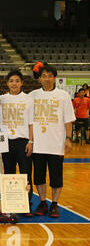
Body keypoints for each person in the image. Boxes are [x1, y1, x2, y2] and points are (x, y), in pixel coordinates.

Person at [29, 63, 75, 218]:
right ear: (40, 79)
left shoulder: (63, 96)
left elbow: (68, 120)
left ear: (55, 78)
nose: (47, 79)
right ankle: (43, 202)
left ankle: (54, 204)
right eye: (44, 76)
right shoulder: (33, 95)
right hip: (38, 144)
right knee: (39, 177)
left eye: (50, 76)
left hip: (56, 144)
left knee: (56, 177)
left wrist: (68, 138)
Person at [0, 69, 34, 216]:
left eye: (17, 81)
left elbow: (31, 123)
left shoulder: (28, 99)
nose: (14, 83)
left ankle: (26, 205)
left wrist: (31, 141)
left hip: (23, 141)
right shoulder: (1, 99)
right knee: (9, 174)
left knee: (26, 174)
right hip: (6, 142)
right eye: (11, 81)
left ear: (22, 83)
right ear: (7, 83)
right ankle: (11, 204)